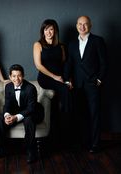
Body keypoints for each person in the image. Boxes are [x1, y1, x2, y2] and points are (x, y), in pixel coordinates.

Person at [64, 16, 107, 153]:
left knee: (94, 114)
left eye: (85, 24)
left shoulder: (98, 41)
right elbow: (69, 63)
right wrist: (66, 79)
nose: (82, 27)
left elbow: (104, 63)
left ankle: (95, 144)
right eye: (80, 24)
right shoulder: (71, 44)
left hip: (93, 84)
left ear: (90, 25)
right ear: (77, 25)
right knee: (81, 115)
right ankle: (84, 142)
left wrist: (99, 79)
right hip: (77, 84)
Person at [0, 64, 44, 164]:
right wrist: (7, 115)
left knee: (29, 120)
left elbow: (31, 108)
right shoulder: (8, 87)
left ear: (23, 76)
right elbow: (7, 105)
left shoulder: (30, 88)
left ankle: (31, 151)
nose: (17, 79)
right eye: (14, 76)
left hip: (33, 111)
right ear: (10, 77)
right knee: (0, 119)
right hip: (17, 111)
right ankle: (0, 149)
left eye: (19, 75)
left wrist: (16, 117)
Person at [33, 19, 72, 148]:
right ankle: (64, 133)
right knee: (66, 92)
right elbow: (38, 65)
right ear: (43, 31)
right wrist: (55, 77)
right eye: (46, 29)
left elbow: (64, 64)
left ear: (55, 31)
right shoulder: (38, 45)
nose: (49, 32)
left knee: (66, 94)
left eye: (51, 29)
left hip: (59, 77)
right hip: (45, 78)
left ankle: (61, 133)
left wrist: (68, 80)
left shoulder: (61, 46)